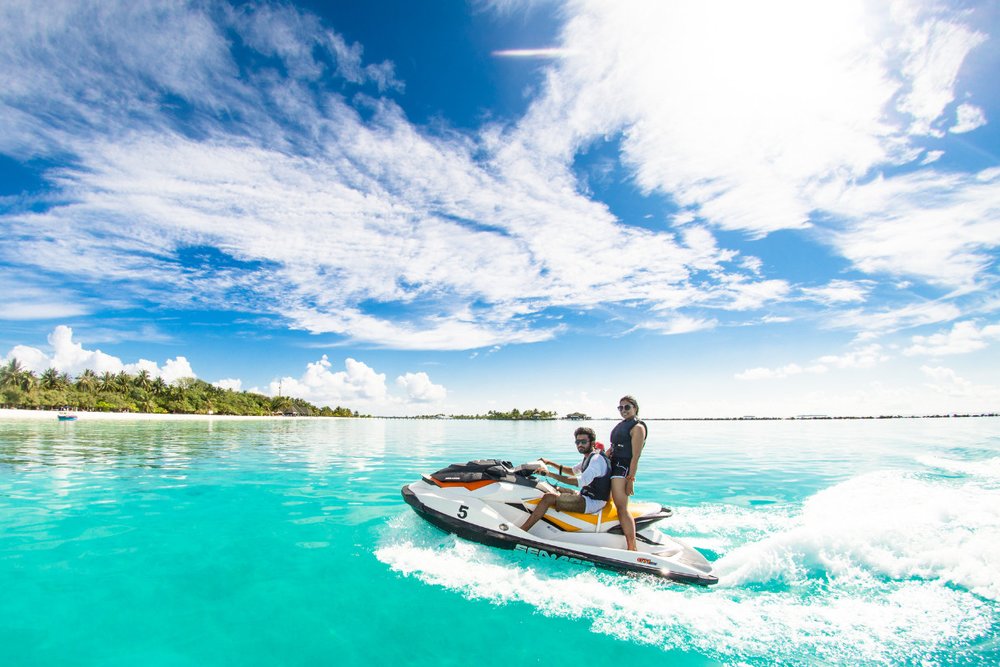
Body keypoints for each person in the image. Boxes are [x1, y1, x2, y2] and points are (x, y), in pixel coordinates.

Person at [519, 427, 612, 532]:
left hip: (593, 502)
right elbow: (572, 471)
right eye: (577, 442)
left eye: (583, 441)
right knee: (551, 487)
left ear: (592, 443)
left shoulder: (596, 460)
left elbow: (579, 481)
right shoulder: (589, 456)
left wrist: (549, 474)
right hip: (585, 495)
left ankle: (523, 530)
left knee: (548, 497)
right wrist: (550, 463)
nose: (580, 444)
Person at [609, 395, 646, 551]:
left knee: (621, 508)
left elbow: (636, 456)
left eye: (627, 407)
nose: (623, 410)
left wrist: (631, 479)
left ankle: (632, 547)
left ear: (635, 408)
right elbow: (614, 447)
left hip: (622, 469)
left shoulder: (637, 428)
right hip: (612, 465)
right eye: (620, 407)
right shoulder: (622, 425)